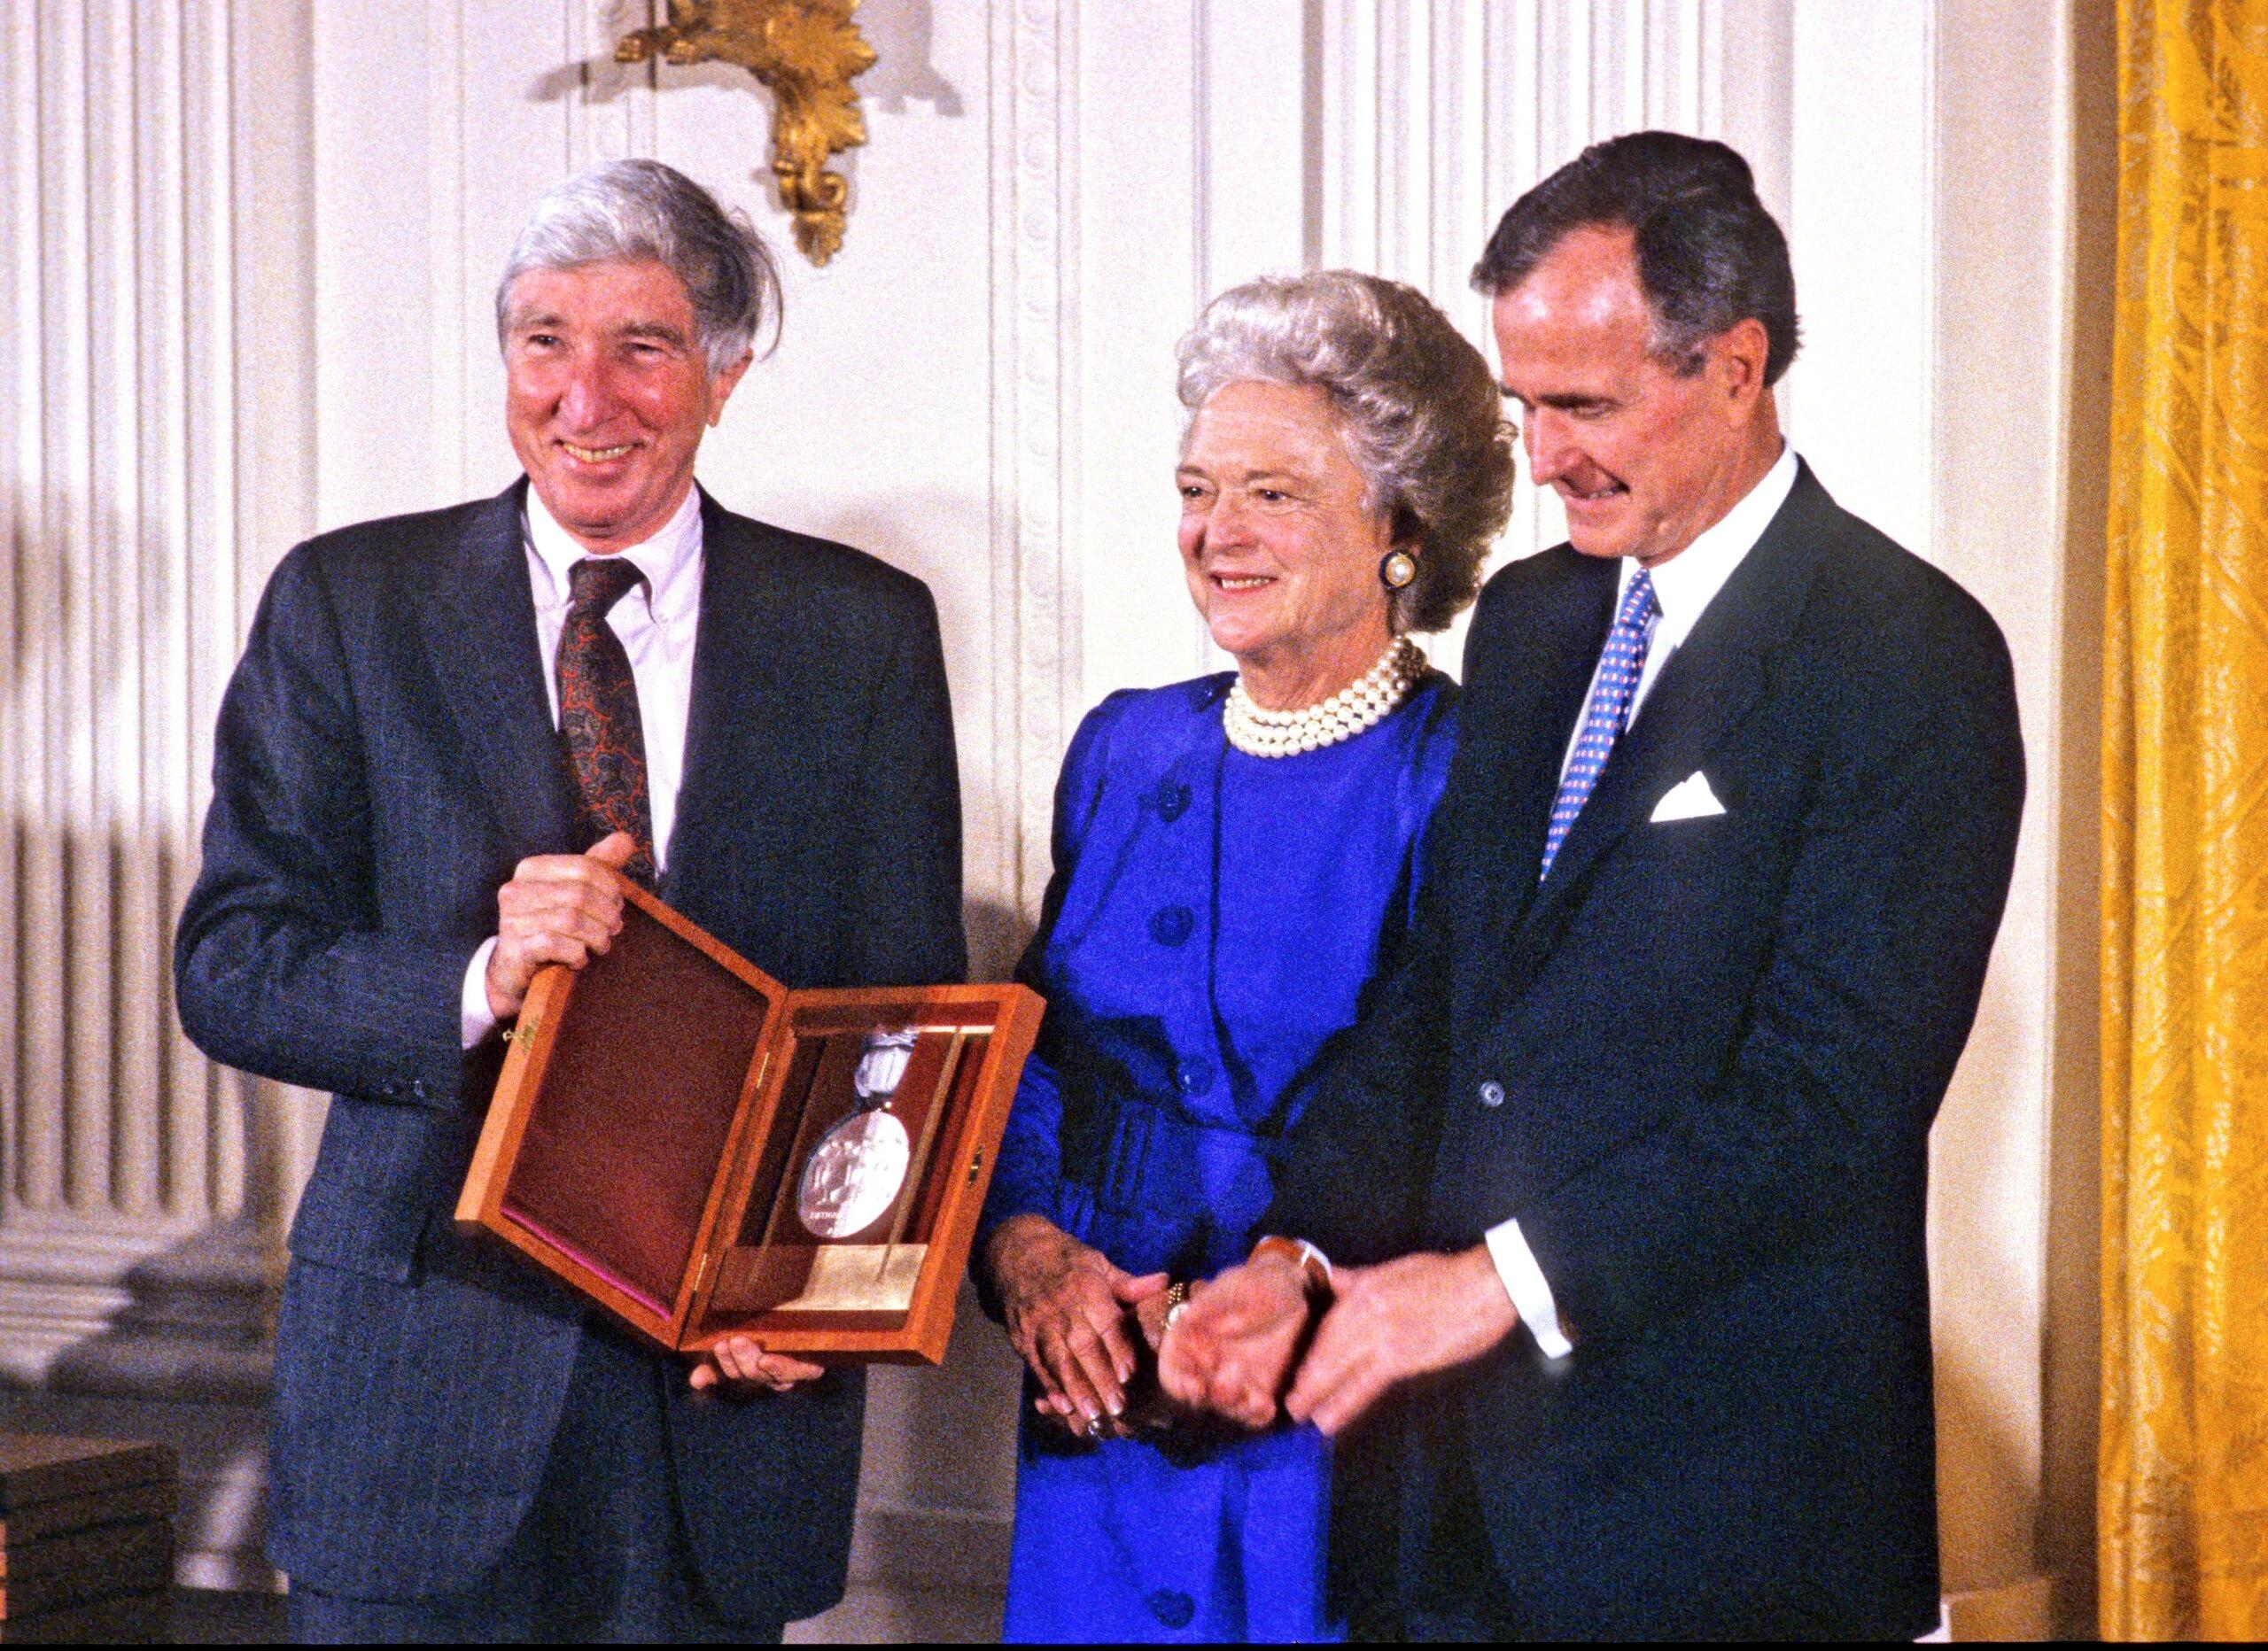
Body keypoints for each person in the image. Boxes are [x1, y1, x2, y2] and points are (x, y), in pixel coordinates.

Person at [1161, 132, 2027, 1640]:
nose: (1541, 456)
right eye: (1522, 405)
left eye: (1586, 406)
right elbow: (1449, 1003)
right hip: (1448, 1510)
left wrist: (1493, 1285)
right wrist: (1293, 1256)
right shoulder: (1539, 618)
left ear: (1738, 367)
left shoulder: (1909, 657)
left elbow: (1828, 1103)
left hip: (1731, 1525)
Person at [174, 159, 965, 1641]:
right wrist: (478, 974)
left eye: (641, 348)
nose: (584, 397)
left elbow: (903, 1014)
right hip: (417, 1390)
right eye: (545, 342)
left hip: (715, 1415)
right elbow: (232, 965)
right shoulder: (347, 605)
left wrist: (817, 1294)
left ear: (724, 376)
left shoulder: (859, 631)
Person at [975, 270, 1516, 1642]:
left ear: (1401, 526)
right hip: (1091, 1390)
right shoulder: (1126, 745)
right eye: (1197, 489)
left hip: (1327, 1402)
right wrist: (1028, 1251)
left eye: (1273, 493)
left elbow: (1456, 1110)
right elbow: (1037, 1055)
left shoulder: (1465, 775)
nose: (1218, 533)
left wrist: (1289, 1281)